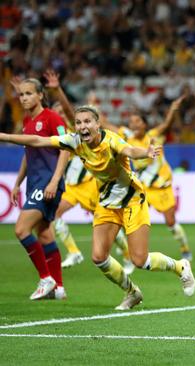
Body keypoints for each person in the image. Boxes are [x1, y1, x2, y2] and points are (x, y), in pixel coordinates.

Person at [0, 105, 195, 310]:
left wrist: (144, 153)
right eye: (78, 122)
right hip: (107, 204)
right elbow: (37, 141)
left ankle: (180, 266)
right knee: (98, 257)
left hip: (132, 200)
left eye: (87, 122)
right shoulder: (74, 141)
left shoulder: (110, 140)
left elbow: (129, 150)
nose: (82, 126)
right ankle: (132, 292)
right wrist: (4, 136)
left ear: (97, 124)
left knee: (139, 259)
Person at [40, 70, 133, 272]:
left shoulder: (77, 131)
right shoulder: (63, 134)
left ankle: (127, 255)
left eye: (63, 112)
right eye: (58, 112)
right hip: (72, 186)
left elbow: (67, 107)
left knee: (106, 222)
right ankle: (74, 251)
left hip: (89, 184)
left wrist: (57, 91)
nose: (61, 114)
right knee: (54, 214)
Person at [101, 95, 192, 261]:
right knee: (125, 215)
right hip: (142, 186)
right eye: (131, 121)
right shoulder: (126, 135)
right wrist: (93, 107)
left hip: (161, 185)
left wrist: (172, 109)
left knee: (170, 222)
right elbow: (106, 125)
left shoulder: (153, 135)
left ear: (144, 124)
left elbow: (166, 125)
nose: (133, 124)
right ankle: (127, 251)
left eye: (137, 121)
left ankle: (185, 248)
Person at [10, 78, 69, 300]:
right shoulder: (27, 121)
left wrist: (55, 181)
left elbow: (66, 149)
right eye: (21, 94)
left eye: (28, 93)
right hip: (34, 182)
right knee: (43, 234)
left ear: (40, 95)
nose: (24, 98)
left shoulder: (53, 118)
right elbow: (28, 154)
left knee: (21, 229)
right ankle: (59, 289)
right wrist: (17, 183)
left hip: (47, 182)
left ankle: (46, 278)